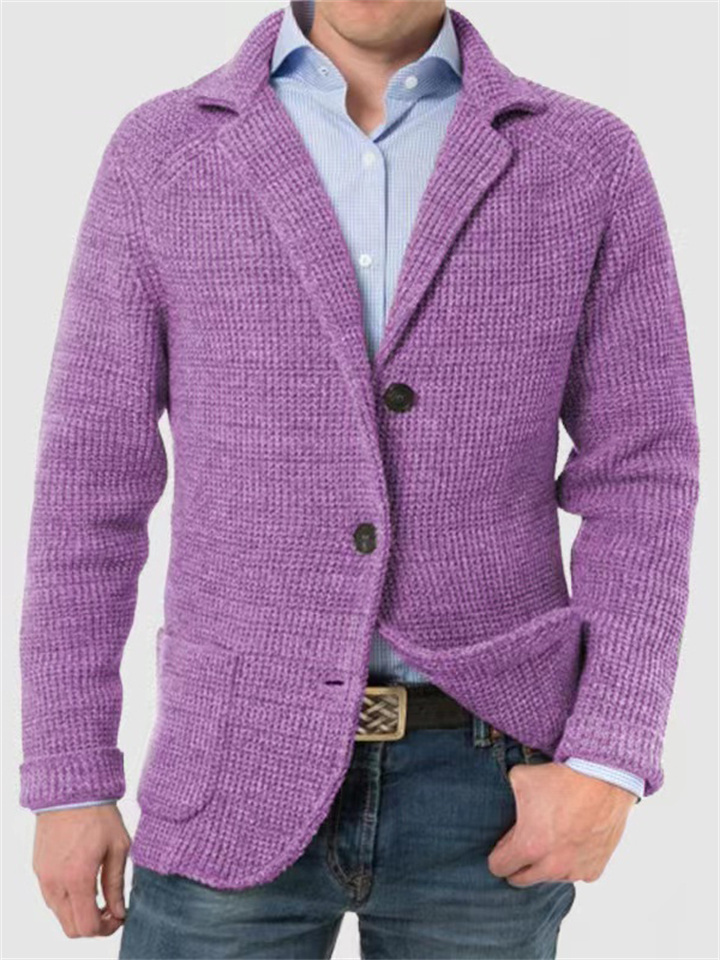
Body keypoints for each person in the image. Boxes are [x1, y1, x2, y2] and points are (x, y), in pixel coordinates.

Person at [20, 2, 699, 958]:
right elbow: (90, 485)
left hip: (491, 783)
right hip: (228, 767)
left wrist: (609, 755)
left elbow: (642, 472)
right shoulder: (165, 153)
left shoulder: (584, 159)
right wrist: (69, 774)